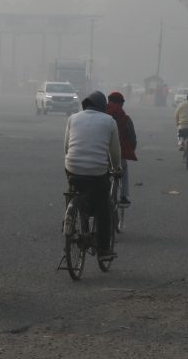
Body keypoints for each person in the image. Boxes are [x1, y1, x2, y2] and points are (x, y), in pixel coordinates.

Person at [64, 91, 122, 259]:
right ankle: (104, 249)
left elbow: (66, 147)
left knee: (73, 189)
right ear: (103, 107)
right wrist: (117, 168)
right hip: (97, 171)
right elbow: (115, 151)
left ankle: (69, 216)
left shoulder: (73, 118)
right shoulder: (109, 121)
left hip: (72, 167)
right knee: (104, 206)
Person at [106, 91, 137, 206]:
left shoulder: (102, 115)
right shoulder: (125, 119)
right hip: (119, 154)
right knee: (123, 169)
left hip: (102, 152)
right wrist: (130, 150)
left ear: (108, 102)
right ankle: (123, 195)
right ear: (122, 104)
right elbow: (132, 139)